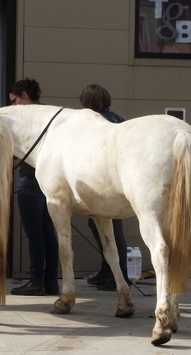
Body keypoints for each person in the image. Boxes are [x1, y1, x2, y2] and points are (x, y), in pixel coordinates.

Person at [9, 78, 59, 296]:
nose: (12, 106)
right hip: (47, 180)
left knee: (35, 234)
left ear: (24, 96)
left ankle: (36, 280)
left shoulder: (24, 120)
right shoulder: (49, 115)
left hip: (30, 179)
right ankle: (50, 282)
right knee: (48, 232)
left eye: (13, 101)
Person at [79, 83, 130, 291]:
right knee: (99, 225)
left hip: (108, 182)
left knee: (113, 229)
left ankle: (120, 275)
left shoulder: (99, 123)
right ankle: (107, 269)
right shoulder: (118, 119)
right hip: (116, 180)